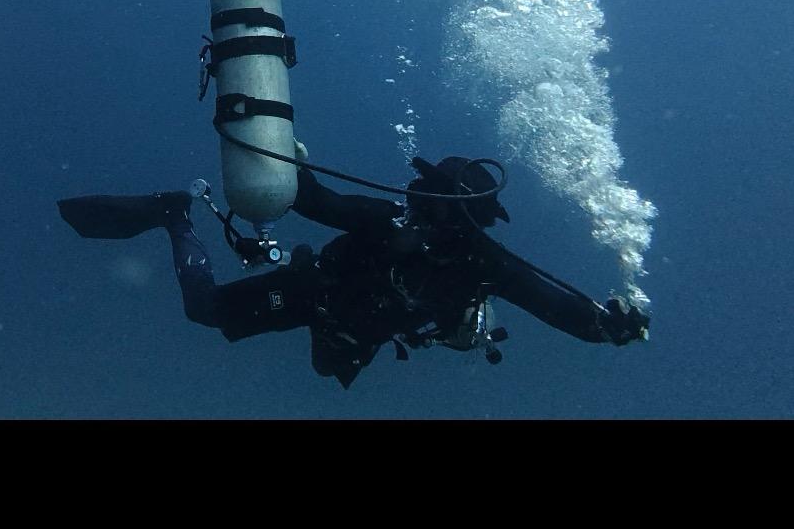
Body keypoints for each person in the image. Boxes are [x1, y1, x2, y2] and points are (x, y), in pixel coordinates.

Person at [57, 154, 650, 389]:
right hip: (315, 294)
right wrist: (285, 154)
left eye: (433, 198)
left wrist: (602, 326)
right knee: (203, 310)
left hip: (352, 331)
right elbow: (318, 203)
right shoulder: (391, 222)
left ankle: (201, 227)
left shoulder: (483, 262)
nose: (420, 204)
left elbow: (550, 302)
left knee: (326, 368)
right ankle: (174, 216)